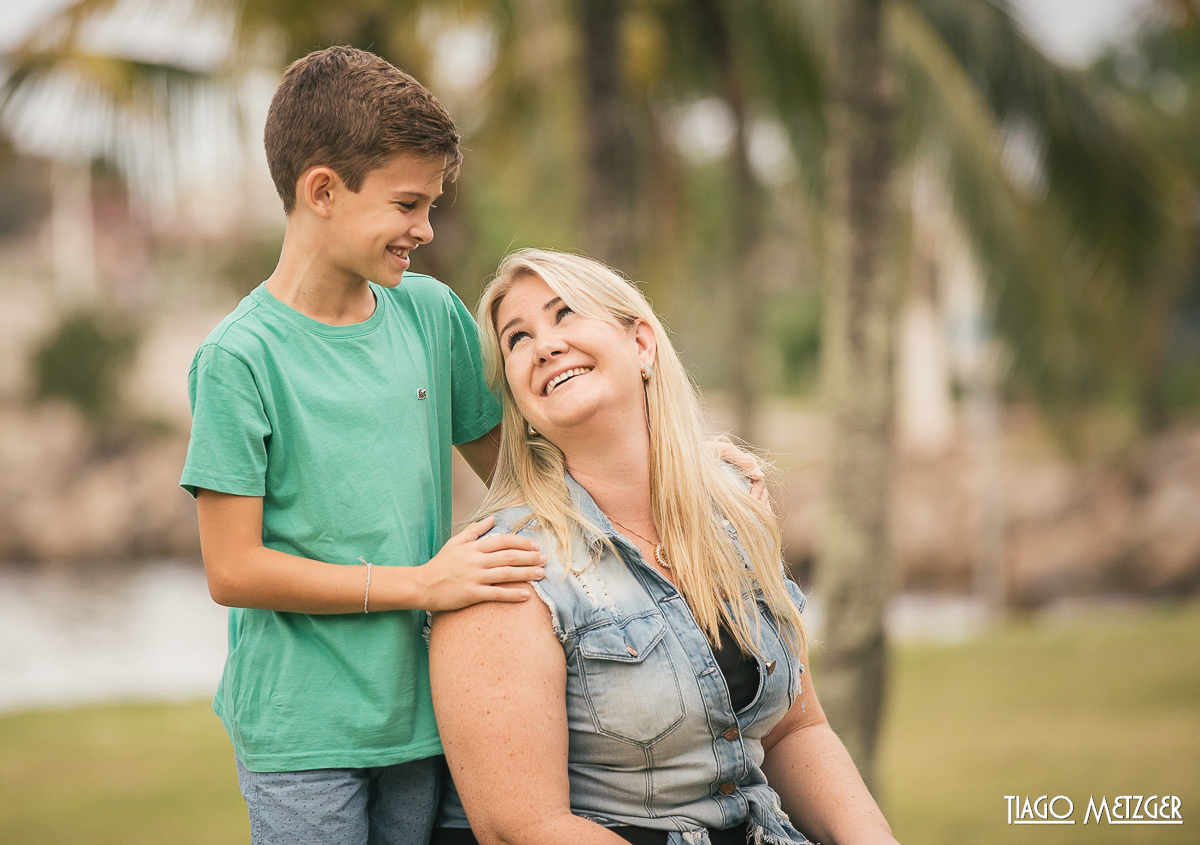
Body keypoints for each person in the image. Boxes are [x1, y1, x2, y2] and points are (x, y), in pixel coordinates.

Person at [179, 47, 549, 845]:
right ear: (322, 191)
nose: (425, 228)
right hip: (302, 735)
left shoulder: (429, 315)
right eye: (408, 204)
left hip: (427, 709)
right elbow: (233, 569)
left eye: (432, 205)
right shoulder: (241, 359)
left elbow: (527, 477)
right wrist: (422, 583)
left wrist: (693, 471)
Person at [428, 250, 900, 845]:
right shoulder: (507, 566)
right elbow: (521, 827)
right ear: (519, 402)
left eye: (565, 313)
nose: (545, 345)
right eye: (518, 338)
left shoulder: (733, 512)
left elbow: (794, 731)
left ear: (643, 345)